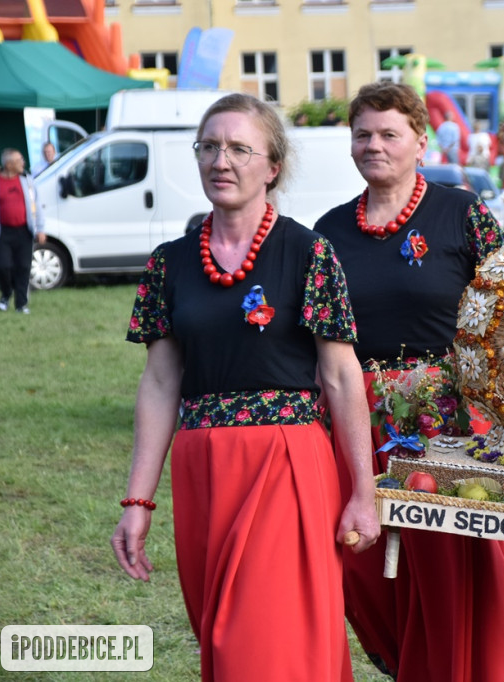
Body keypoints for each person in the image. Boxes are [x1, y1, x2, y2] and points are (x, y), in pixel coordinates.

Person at [110, 93, 380, 682]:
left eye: (238, 148)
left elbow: (340, 375)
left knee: (258, 643)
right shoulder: (169, 264)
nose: (220, 161)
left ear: (272, 166)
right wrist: (137, 500)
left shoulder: (310, 253)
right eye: (209, 147)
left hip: (286, 462)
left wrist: (362, 490)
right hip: (203, 466)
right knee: (218, 629)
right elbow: (160, 383)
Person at [314, 81, 504, 682]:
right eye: (363, 135)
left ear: (420, 143)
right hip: (357, 418)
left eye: (389, 134)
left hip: (445, 423)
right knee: (362, 564)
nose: (374, 145)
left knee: (449, 572)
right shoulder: (327, 232)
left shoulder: (463, 213)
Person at [0, 149, 45, 314]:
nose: (23, 163)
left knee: (23, 267)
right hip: (2, 232)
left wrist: (40, 228)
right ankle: (6, 294)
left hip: (24, 231)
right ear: (9, 164)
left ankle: (21, 304)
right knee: (3, 266)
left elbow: (37, 204)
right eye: (19, 160)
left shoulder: (27, 180)